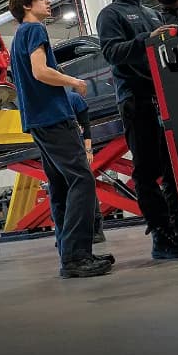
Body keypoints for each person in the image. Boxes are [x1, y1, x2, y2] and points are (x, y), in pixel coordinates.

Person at [8, 0, 112, 278]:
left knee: (60, 185)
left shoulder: (18, 38)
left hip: (37, 120)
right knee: (82, 180)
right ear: (27, 6)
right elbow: (40, 72)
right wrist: (73, 83)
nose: (48, 2)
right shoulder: (35, 30)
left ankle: (70, 253)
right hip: (53, 117)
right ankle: (77, 256)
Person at [96, 0, 178, 259]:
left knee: (174, 169)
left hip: (164, 96)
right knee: (147, 171)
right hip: (136, 100)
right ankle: (162, 237)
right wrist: (143, 40)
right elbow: (112, 53)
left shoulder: (151, 12)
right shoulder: (110, 13)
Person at [65, 89, 105, 244]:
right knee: (69, 189)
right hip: (63, 149)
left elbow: (85, 125)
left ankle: (96, 230)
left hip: (78, 148)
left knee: (86, 186)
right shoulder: (50, 99)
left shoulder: (73, 98)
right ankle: (71, 231)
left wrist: (88, 149)